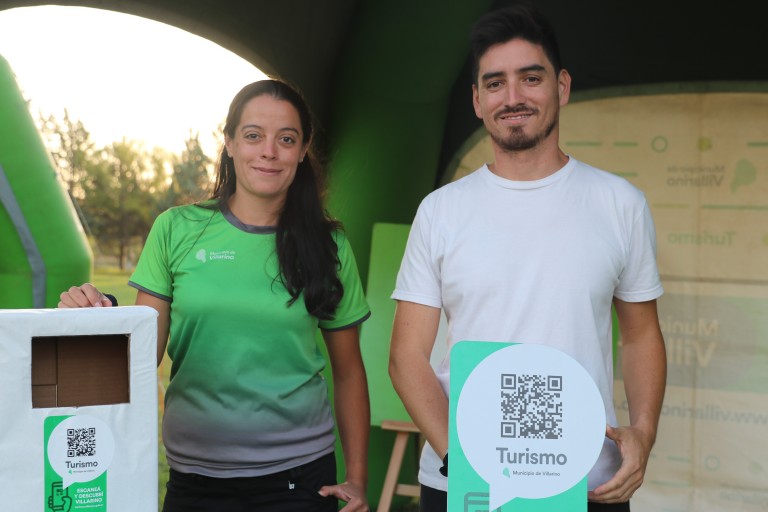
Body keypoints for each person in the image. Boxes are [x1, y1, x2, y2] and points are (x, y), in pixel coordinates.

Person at [388, 3, 666, 511]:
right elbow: (407, 357)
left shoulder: (619, 204)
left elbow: (642, 335)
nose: (512, 97)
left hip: (588, 483)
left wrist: (644, 434)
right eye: (495, 83)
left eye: (530, 78)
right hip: (463, 482)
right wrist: (461, 458)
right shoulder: (440, 211)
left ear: (562, 87)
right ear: (477, 100)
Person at [59, 79, 372, 512]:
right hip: (195, 479)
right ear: (229, 142)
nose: (269, 151)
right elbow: (142, 355)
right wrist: (99, 314)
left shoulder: (328, 244)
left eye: (286, 139)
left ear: (302, 151)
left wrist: (357, 478)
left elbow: (350, 371)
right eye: (253, 135)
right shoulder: (176, 229)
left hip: (299, 478)